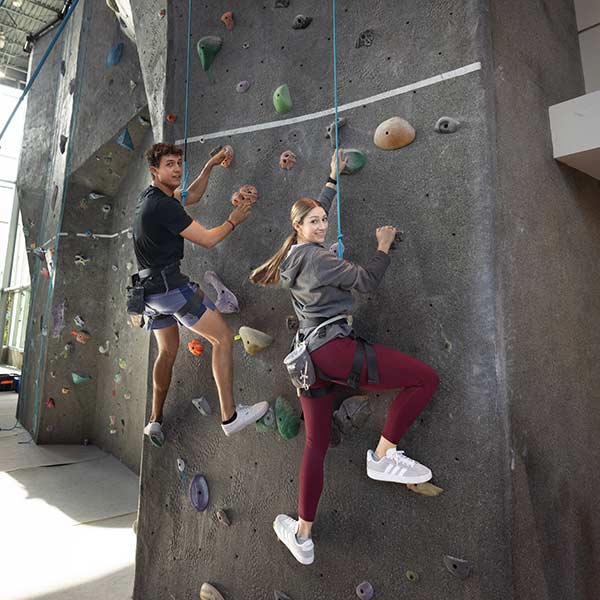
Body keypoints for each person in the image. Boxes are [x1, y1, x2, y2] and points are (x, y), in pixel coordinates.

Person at [250, 149, 440, 565]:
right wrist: (383, 245)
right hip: (334, 353)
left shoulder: (293, 257)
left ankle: (301, 535)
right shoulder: (319, 259)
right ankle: (384, 456)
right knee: (424, 378)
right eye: (313, 221)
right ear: (298, 227)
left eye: (322, 219)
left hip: (307, 364)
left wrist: (332, 180)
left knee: (316, 446)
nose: (321, 224)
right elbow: (368, 281)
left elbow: (316, 214)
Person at [133, 143, 268, 448]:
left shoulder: (151, 198)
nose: (177, 169)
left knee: (167, 352)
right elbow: (207, 239)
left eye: (179, 163)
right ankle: (230, 417)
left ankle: (154, 419)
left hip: (149, 295)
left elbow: (191, 196)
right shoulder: (163, 206)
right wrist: (234, 219)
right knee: (221, 338)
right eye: (170, 164)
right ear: (155, 171)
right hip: (169, 289)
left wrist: (209, 166)